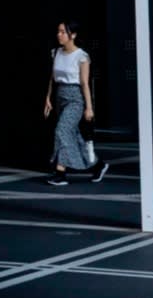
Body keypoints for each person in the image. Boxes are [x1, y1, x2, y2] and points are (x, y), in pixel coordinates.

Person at [42, 20, 108, 186]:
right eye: (58, 31)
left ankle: (60, 173)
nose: (59, 35)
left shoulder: (81, 56)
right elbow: (52, 77)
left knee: (62, 130)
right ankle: (98, 165)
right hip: (60, 96)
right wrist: (48, 97)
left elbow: (85, 83)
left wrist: (89, 108)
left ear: (73, 35)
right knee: (74, 136)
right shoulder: (55, 52)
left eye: (63, 32)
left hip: (75, 98)